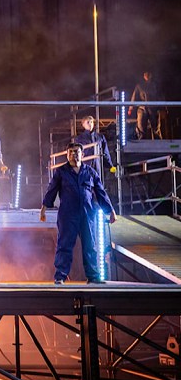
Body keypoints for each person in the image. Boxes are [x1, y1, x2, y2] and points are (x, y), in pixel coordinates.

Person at [40, 142, 117, 284]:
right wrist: (44, 208)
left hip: (87, 214)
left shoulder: (90, 172)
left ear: (83, 154)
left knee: (90, 245)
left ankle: (93, 276)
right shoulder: (61, 172)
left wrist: (110, 210)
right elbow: (52, 190)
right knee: (64, 245)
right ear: (67, 155)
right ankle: (60, 276)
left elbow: (100, 192)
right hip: (68, 215)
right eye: (70, 152)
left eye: (76, 152)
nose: (73, 154)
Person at [130, 71, 165, 140]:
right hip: (143, 108)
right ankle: (142, 146)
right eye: (146, 74)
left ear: (151, 75)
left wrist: (163, 108)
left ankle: (157, 146)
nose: (147, 76)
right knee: (141, 129)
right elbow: (134, 96)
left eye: (148, 74)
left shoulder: (156, 86)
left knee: (156, 129)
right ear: (144, 76)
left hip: (154, 108)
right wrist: (130, 108)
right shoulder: (139, 86)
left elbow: (161, 96)